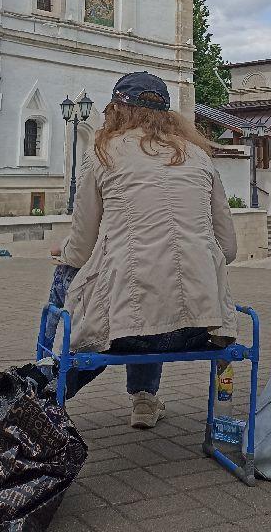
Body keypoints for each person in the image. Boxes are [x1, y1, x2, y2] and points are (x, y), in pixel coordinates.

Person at [58, 71, 238, 428]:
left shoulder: (102, 153)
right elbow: (228, 248)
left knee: (74, 276)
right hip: (202, 328)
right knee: (159, 293)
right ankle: (144, 397)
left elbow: (79, 249)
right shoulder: (199, 157)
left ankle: (49, 379)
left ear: (117, 110)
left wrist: (62, 252)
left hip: (127, 334)